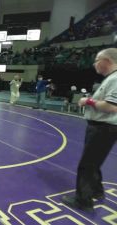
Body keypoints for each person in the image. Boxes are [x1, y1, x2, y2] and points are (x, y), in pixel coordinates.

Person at [61, 48, 117, 212]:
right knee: (94, 163)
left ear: (106, 61)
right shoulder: (110, 79)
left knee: (87, 165)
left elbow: (111, 106)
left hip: (103, 128)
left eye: (97, 60)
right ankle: (97, 191)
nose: (94, 64)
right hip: (103, 128)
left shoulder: (115, 79)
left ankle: (83, 201)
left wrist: (88, 101)